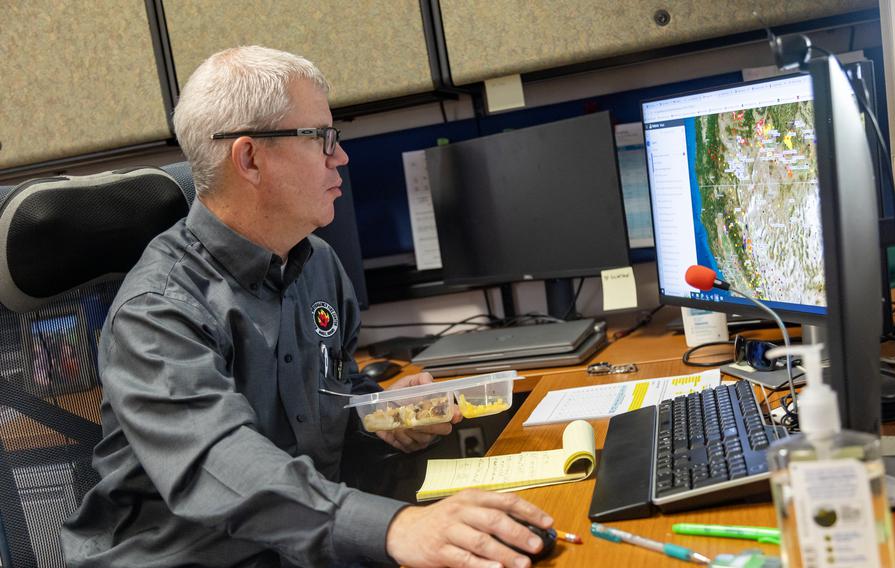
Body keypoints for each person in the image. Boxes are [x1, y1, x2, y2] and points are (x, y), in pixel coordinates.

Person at [61, 45, 553, 568]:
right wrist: (396, 528)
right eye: (320, 136)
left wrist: (381, 416)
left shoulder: (315, 262)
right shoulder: (158, 311)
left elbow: (330, 396)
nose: (339, 156)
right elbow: (220, 462)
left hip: (298, 547)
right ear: (249, 158)